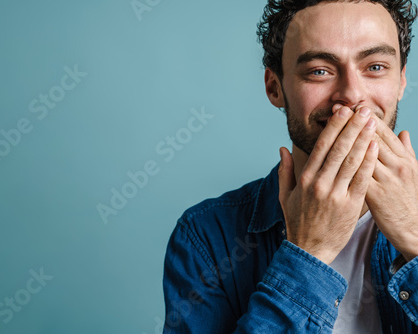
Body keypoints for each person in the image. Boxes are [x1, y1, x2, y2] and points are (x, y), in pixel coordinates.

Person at [162, 0, 418, 333]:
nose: (352, 95)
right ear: (275, 87)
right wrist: (308, 254)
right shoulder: (206, 235)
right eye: (319, 71)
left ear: (400, 81)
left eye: (375, 67)